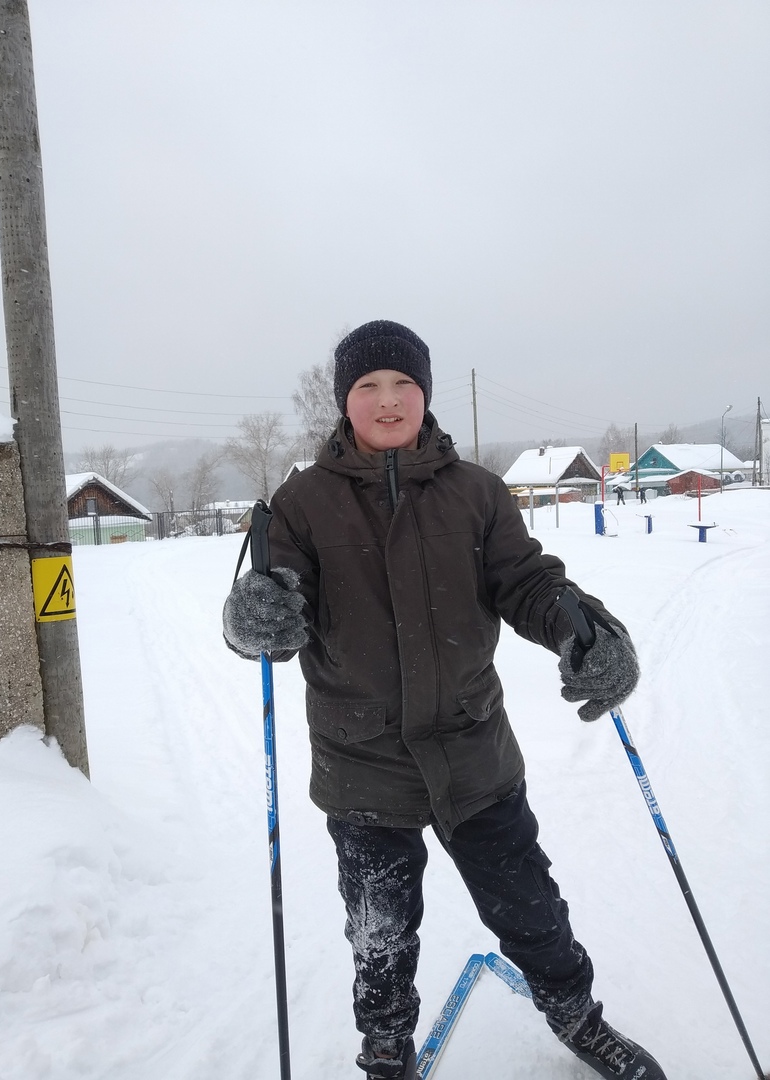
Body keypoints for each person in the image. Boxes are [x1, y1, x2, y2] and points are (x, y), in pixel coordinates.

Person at [223, 321, 666, 1080]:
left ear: (425, 395)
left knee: (532, 910)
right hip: (361, 763)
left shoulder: (477, 493)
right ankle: (386, 1048)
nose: (388, 400)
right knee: (380, 936)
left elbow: (528, 583)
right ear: (344, 400)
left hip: (473, 752)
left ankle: (577, 1018)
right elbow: (274, 611)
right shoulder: (302, 503)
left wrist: (584, 630)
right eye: (368, 386)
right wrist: (251, 619)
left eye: (404, 384)